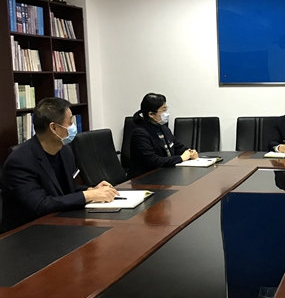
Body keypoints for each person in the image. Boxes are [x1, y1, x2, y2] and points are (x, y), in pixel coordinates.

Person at [1, 98, 118, 233]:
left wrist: (91, 189)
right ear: (54, 128)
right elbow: (40, 204)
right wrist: (87, 195)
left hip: (58, 223)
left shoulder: (64, 150)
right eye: (70, 122)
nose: (73, 127)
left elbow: (65, 190)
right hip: (26, 232)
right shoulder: (19, 161)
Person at [129, 93, 198, 178]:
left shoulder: (164, 129)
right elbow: (153, 161)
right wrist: (181, 158)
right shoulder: (140, 134)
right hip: (145, 179)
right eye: (163, 110)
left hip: (165, 175)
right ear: (151, 114)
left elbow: (177, 147)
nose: (166, 114)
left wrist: (190, 152)